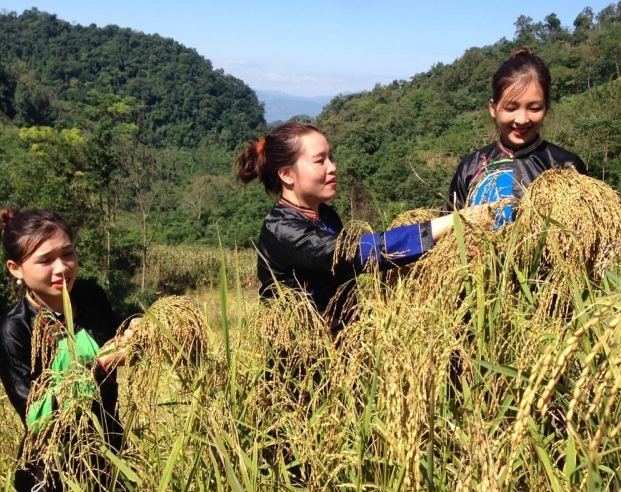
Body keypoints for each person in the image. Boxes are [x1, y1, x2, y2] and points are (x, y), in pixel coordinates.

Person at [235, 122, 488, 331]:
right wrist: (447, 223)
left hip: (341, 344)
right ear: (287, 175)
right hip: (301, 362)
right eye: (319, 161)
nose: (332, 167)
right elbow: (350, 254)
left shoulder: (326, 215)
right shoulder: (282, 231)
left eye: (331, 158)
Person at [0, 208, 131, 492]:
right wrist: (101, 366)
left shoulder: (90, 296)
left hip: (109, 459)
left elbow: (118, 334)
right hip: (52, 482)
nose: (61, 269)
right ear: (16, 268)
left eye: (68, 253)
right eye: (44, 260)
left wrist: (137, 331)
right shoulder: (15, 331)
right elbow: (38, 417)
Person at [443, 48, 586, 226]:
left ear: (546, 107)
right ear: (493, 108)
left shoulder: (567, 166)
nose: (521, 119)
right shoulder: (470, 168)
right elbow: (448, 230)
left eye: (534, 108)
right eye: (511, 108)